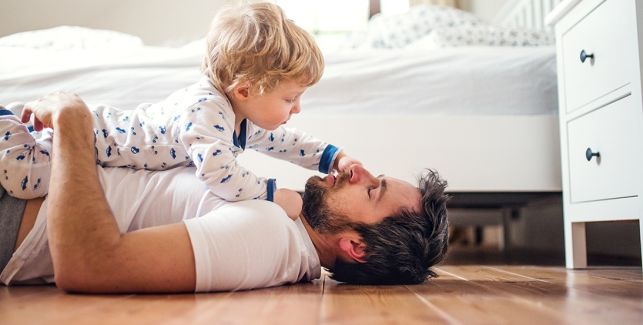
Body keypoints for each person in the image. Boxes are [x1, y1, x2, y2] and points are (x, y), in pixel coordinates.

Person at [0, 93, 449, 292]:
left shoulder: (267, 237)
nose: (359, 173)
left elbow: (90, 267)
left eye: (372, 191)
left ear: (355, 247)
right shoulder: (282, 220)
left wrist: (74, 121)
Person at [0, 2, 360, 204]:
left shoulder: (240, 116)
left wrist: (334, 157)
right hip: (93, 137)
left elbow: (285, 142)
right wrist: (272, 193)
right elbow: (219, 174)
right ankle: (6, 121)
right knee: (26, 180)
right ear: (246, 89)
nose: (296, 109)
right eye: (291, 98)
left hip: (98, 138)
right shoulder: (207, 111)